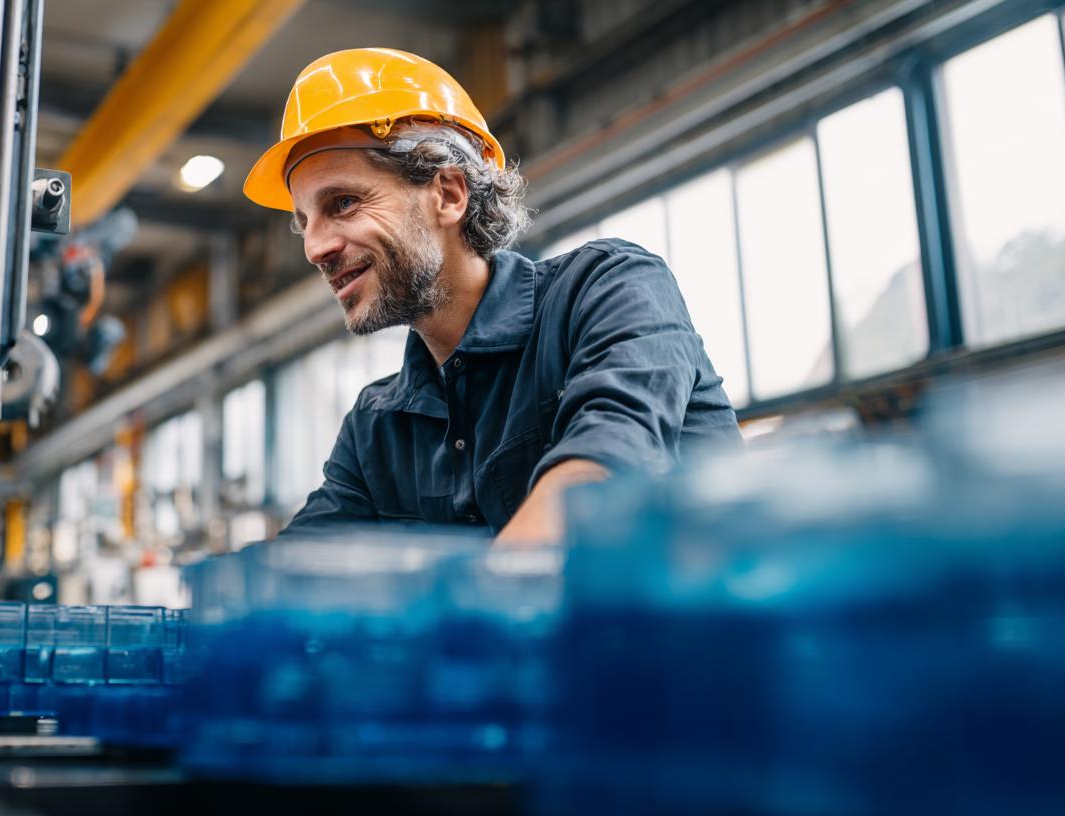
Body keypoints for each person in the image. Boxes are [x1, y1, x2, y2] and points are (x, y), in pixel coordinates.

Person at [243, 48, 741, 545]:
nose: (314, 248)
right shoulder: (377, 426)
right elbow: (292, 569)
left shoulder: (610, 289)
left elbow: (603, 472)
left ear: (449, 194)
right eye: (304, 223)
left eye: (344, 203)